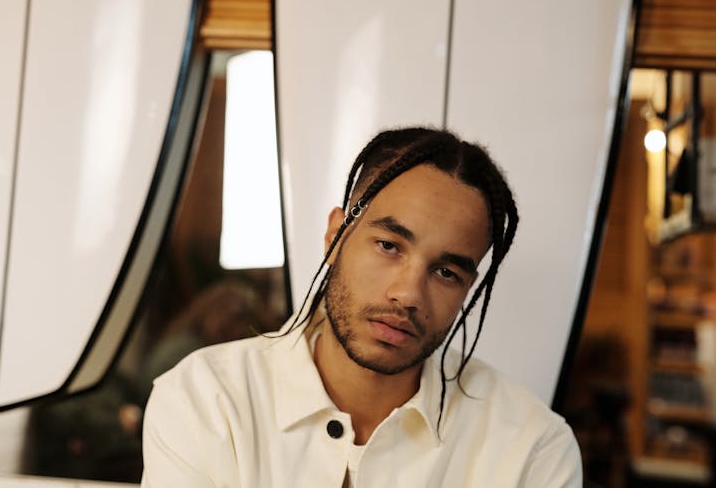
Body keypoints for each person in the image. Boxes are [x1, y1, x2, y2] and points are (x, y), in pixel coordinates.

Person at [141, 127, 582, 487]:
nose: (408, 294)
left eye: (447, 273)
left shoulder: (532, 449)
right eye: (389, 245)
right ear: (335, 236)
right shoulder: (206, 400)